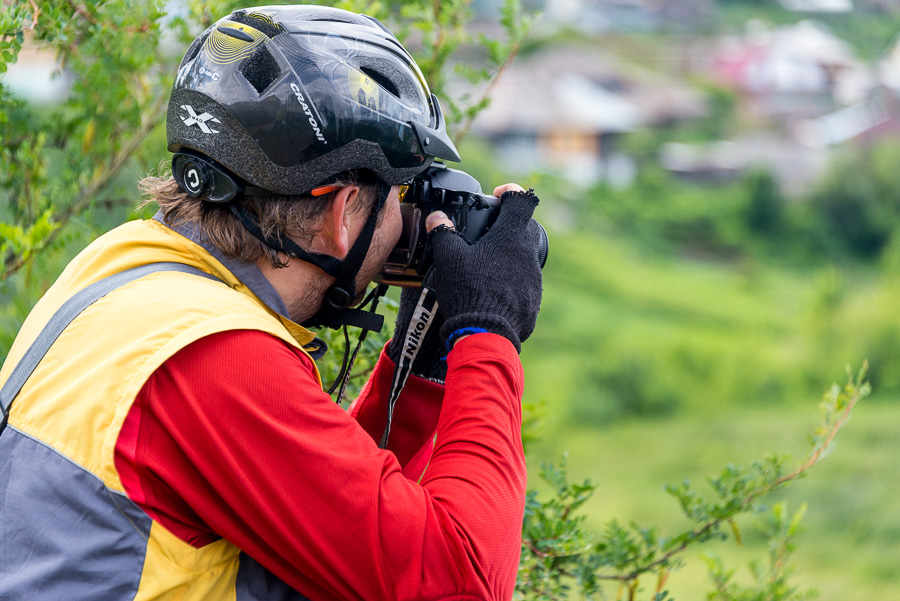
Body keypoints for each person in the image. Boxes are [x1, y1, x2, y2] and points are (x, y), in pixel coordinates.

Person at [0, 6, 542, 601]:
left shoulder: (129, 271)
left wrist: (424, 363)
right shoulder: (212, 357)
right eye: (401, 196)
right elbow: (459, 581)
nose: (407, 220)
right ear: (343, 213)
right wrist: (489, 328)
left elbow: (324, 509)